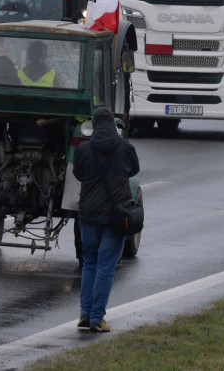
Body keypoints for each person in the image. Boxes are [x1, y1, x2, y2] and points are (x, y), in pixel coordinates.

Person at [72, 106, 140, 333]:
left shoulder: (83, 149)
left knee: (90, 263)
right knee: (106, 267)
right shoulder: (125, 148)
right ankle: (97, 318)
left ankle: (85, 314)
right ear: (113, 124)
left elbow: (78, 174)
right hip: (115, 215)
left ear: (94, 124)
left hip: (89, 215)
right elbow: (134, 170)